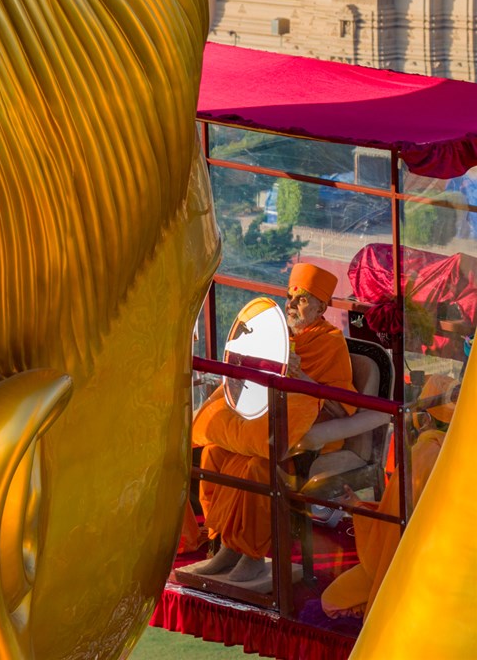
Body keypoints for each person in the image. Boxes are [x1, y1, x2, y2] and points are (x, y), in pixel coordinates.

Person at [192, 262, 356, 582]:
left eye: (302, 299)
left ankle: (252, 554)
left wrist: (301, 377)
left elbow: (341, 408)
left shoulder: (330, 342)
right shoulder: (277, 335)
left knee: (257, 466)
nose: (291, 305)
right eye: (290, 297)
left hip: (306, 436)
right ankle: (228, 545)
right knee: (215, 454)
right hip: (266, 423)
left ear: (321, 307)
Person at [321, 374, 458, 622]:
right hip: (451, 566)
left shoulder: (423, 453)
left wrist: (357, 509)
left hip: (413, 567)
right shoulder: (460, 450)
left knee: (330, 601)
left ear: (424, 417)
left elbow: (393, 528)